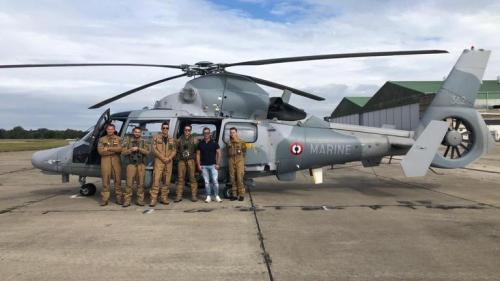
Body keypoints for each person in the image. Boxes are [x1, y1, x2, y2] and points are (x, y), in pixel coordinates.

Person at [121, 126, 149, 207]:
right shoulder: (127, 141)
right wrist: (131, 150)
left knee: (141, 184)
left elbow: (147, 152)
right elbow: (123, 152)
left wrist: (139, 149)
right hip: (131, 165)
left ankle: (140, 200)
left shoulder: (144, 142)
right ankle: (127, 200)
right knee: (129, 183)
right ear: (133, 132)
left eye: (138, 132)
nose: (137, 133)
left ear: (141, 133)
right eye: (135, 132)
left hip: (141, 165)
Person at [150, 122, 176, 207]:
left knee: (166, 181)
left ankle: (164, 197)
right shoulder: (156, 138)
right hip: (159, 161)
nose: (165, 129)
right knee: (156, 180)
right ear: (161, 128)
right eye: (163, 128)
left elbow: (174, 150)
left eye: (167, 128)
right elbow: (154, 149)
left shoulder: (172, 139)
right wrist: (162, 157)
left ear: (168, 129)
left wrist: (169, 158)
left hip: (168, 162)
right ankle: (153, 199)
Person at [97, 123, 123, 206]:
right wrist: (114, 151)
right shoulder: (101, 139)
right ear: (106, 130)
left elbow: (120, 149)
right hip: (105, 162)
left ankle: (119, 199)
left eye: (112, 129)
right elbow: (100, 152)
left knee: (117, 181)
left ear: (114, 130)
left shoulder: (119, 139)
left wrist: (108, 148)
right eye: (109, 129)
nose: (110, 130)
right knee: (105, 181)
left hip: (116, 162)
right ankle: (105, 199)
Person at [196, 127, 222, 203]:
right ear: (203, 134)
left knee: (215, 181)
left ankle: (216, 196)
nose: (206, 134)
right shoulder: (200, 144)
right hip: (204, 166)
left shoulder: (214, 143)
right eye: (205, 133)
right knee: (206, 182)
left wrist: (218, 164)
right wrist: (198, 165)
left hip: (213, 166)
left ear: (210, 134)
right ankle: (208, 196)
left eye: (207, 133)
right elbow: (198, 155)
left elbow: (219, 153)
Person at [175, 125, 198, 202]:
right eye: (185, 130)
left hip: (191, 161)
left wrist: (196, 160)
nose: (187, 132)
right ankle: (179, 195)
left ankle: (194, 195)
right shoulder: (179, 140)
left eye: (188, 130)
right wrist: (178, 159)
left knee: (192, 178)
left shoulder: (195, 140)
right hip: (181, 161)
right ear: (183, 130)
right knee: (180, 179)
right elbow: (176, 151)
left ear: (190, 131)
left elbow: (197, 151)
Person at [227, 127, 246, 201]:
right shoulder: (228, 142)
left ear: (236, 133)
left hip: (239, 160)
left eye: (233, 132)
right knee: (232, 178)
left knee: (239, 178)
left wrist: (244, 164)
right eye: (231, 132)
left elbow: (244, 152)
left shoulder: (242, 142)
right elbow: (227, 151)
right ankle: (234, 195)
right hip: (231, 160)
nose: (232, 134)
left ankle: (241, 194)